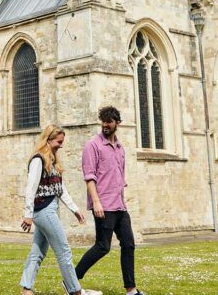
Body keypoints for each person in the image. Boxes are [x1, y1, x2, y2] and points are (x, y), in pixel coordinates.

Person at [19, 125, 101, 295]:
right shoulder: (38, 160)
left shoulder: (53, 161)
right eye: (59, 142)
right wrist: (28, 215)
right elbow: (30, 189)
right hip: (44, 210)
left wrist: (74, 209)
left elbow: (60, 188)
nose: (61, 146)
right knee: (64, 251)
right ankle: (75, 291)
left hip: (50, 209)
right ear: (48, 139)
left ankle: (27, 289)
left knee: (38, 251)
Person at [74, 106, 146, 295]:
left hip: (120, 206)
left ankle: (131, 290)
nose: (105, 125)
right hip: (103, 205)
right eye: (103, 121)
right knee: (102, 246)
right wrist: (96, 202)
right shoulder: (93, 145)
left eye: (109, 122)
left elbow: (119, 176)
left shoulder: (121, 148)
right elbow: (89, 176)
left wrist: (123, 199)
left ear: (117, 123)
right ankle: (72, 281)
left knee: (129, 244)